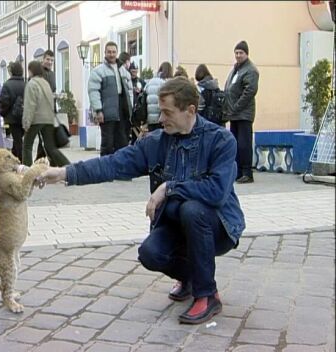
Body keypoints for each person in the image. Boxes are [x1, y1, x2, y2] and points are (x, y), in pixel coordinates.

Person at [39, 77, 245, 325]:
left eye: (167, 112)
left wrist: (168, 187)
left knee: (192, 209)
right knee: (150, 253)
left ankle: (208, 295)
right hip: (175, 224)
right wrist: (62, 174)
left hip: (218, 227)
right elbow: (112, 164)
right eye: (160, 112)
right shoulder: (156, 142)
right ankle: (192, 279)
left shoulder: (221, 140)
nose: (160, 119)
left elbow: (216, 191)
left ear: (190, 110)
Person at [224, 40, 259, 184]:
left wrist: (236, 106)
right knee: (235, 143)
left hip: (243, 114)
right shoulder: (236, 69)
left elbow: (249, 91)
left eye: (241, 53)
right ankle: (238, 172)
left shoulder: (250, 70)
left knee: (244, 144)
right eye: (236, 53)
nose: (238, 55)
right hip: (234, 113)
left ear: (246, 54)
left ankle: (247, 172)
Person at [88, 41, 133, 156]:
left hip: (122, 112)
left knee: (122, 143)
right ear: (105, 53)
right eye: (109, 52)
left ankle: (121, 170)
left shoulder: (122, 70)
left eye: (114, 52)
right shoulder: (98, 71)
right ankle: (105, 170)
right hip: (107, 112)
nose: (112, 54)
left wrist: (130, 107)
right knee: (107, 144)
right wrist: (98, 110)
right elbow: (93, 92)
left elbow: (129, 90)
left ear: (117, 53)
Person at [22, 60, 70, 167]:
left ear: (31, 71)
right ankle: (67, 166)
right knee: (50, 147)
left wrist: (26, 123)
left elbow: (30, 105)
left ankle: (27, 170)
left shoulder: (32, 84)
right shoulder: (45, 83)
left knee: (27, 145)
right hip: (48, 119)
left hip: (36, 119)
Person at [0, 61, 25, 162]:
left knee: (17, 141)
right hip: (23, 117)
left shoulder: (7, 85)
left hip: (12, 118)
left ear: (11, 72)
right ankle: (13, 160)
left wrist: (3, 113)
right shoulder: (26, 84)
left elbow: (4, 102)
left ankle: (20, 162)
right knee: (18, 140)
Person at [35, 49, 56, 161]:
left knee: (46, 140)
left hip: (50, 111)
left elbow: (53, 89)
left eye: (52, 60)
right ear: (43, 59)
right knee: (44, 140)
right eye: (48, 59)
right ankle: (39, 163)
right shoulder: (37, 73)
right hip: (40, 112)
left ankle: (39, 163)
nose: (49, 62)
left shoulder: (52, 74)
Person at [144, 61, 173, 132]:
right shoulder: (167, 83)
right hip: (162, 117)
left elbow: (144, 94)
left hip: (150, 118)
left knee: (152, 138)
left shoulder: (150, 82)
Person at [129, 61, 146, 144]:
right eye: (132, 71)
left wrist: (141, 91)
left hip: (138, 111)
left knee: (137, 133)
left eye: (135, 71)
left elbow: (145, 93)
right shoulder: (128, 81)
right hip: (129, 109)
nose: (134, 73)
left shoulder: (141, 82)